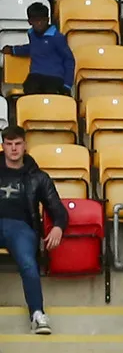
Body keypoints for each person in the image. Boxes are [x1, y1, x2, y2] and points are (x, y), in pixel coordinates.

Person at [0, 126, 60, 335]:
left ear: (25, 146)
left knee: (28, 263)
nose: (14, 148)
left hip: (21, 228)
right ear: (3, 146)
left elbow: (58, 210)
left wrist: (58, 227)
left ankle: (37, 314)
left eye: (18, 144)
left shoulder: (38, 177)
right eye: (9, 144)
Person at [4, 2, 69, 95]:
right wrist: (13, 50)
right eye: (35, 20)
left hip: (54, 75)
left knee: (50, 93)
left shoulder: (57, 37)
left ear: (47, 20)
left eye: (42, 20)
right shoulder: (31, 34)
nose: (39, 23)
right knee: (29, 88)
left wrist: (67, 85)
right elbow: (33, 48)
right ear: (30, 21)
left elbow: (68, 59)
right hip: (36, 74)